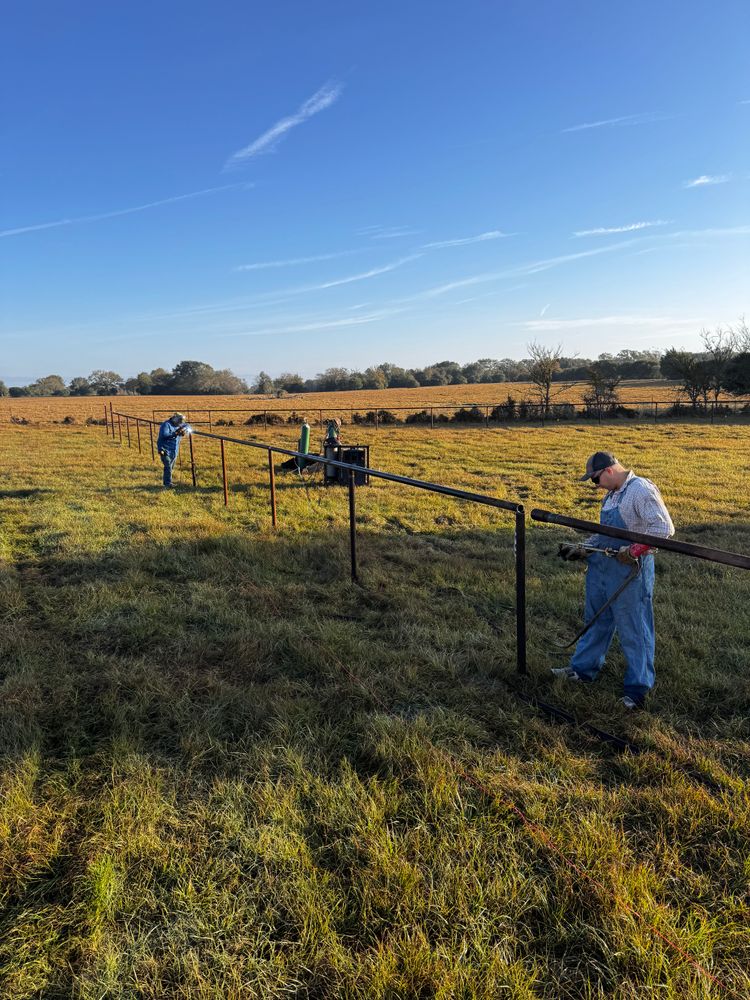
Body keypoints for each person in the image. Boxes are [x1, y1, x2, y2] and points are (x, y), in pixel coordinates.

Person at [553, 451, 674, 709]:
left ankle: (637, 689)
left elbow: (663, 528)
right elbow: (604, 535)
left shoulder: (640, 489)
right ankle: (582, 670)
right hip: (601, 571)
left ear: (608, 471)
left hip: (630, 573)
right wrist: (584, 547)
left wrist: (633, 551)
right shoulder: (611, 495)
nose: (595, 487)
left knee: (635, 628)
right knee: (596, 620)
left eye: (595, 480)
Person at [156, 412, 187, 488]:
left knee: (171, 467)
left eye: (181, 423)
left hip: (174, 450)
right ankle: (167, 484)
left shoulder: (178, 425)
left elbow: (180, 432)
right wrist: (175, 433)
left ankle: (168, 482)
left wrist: (182, 433)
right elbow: (164, 435)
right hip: (165, 449)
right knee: (168, 466)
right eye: (179, 422)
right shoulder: (166, 425)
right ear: (174, 419)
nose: (179, 424)